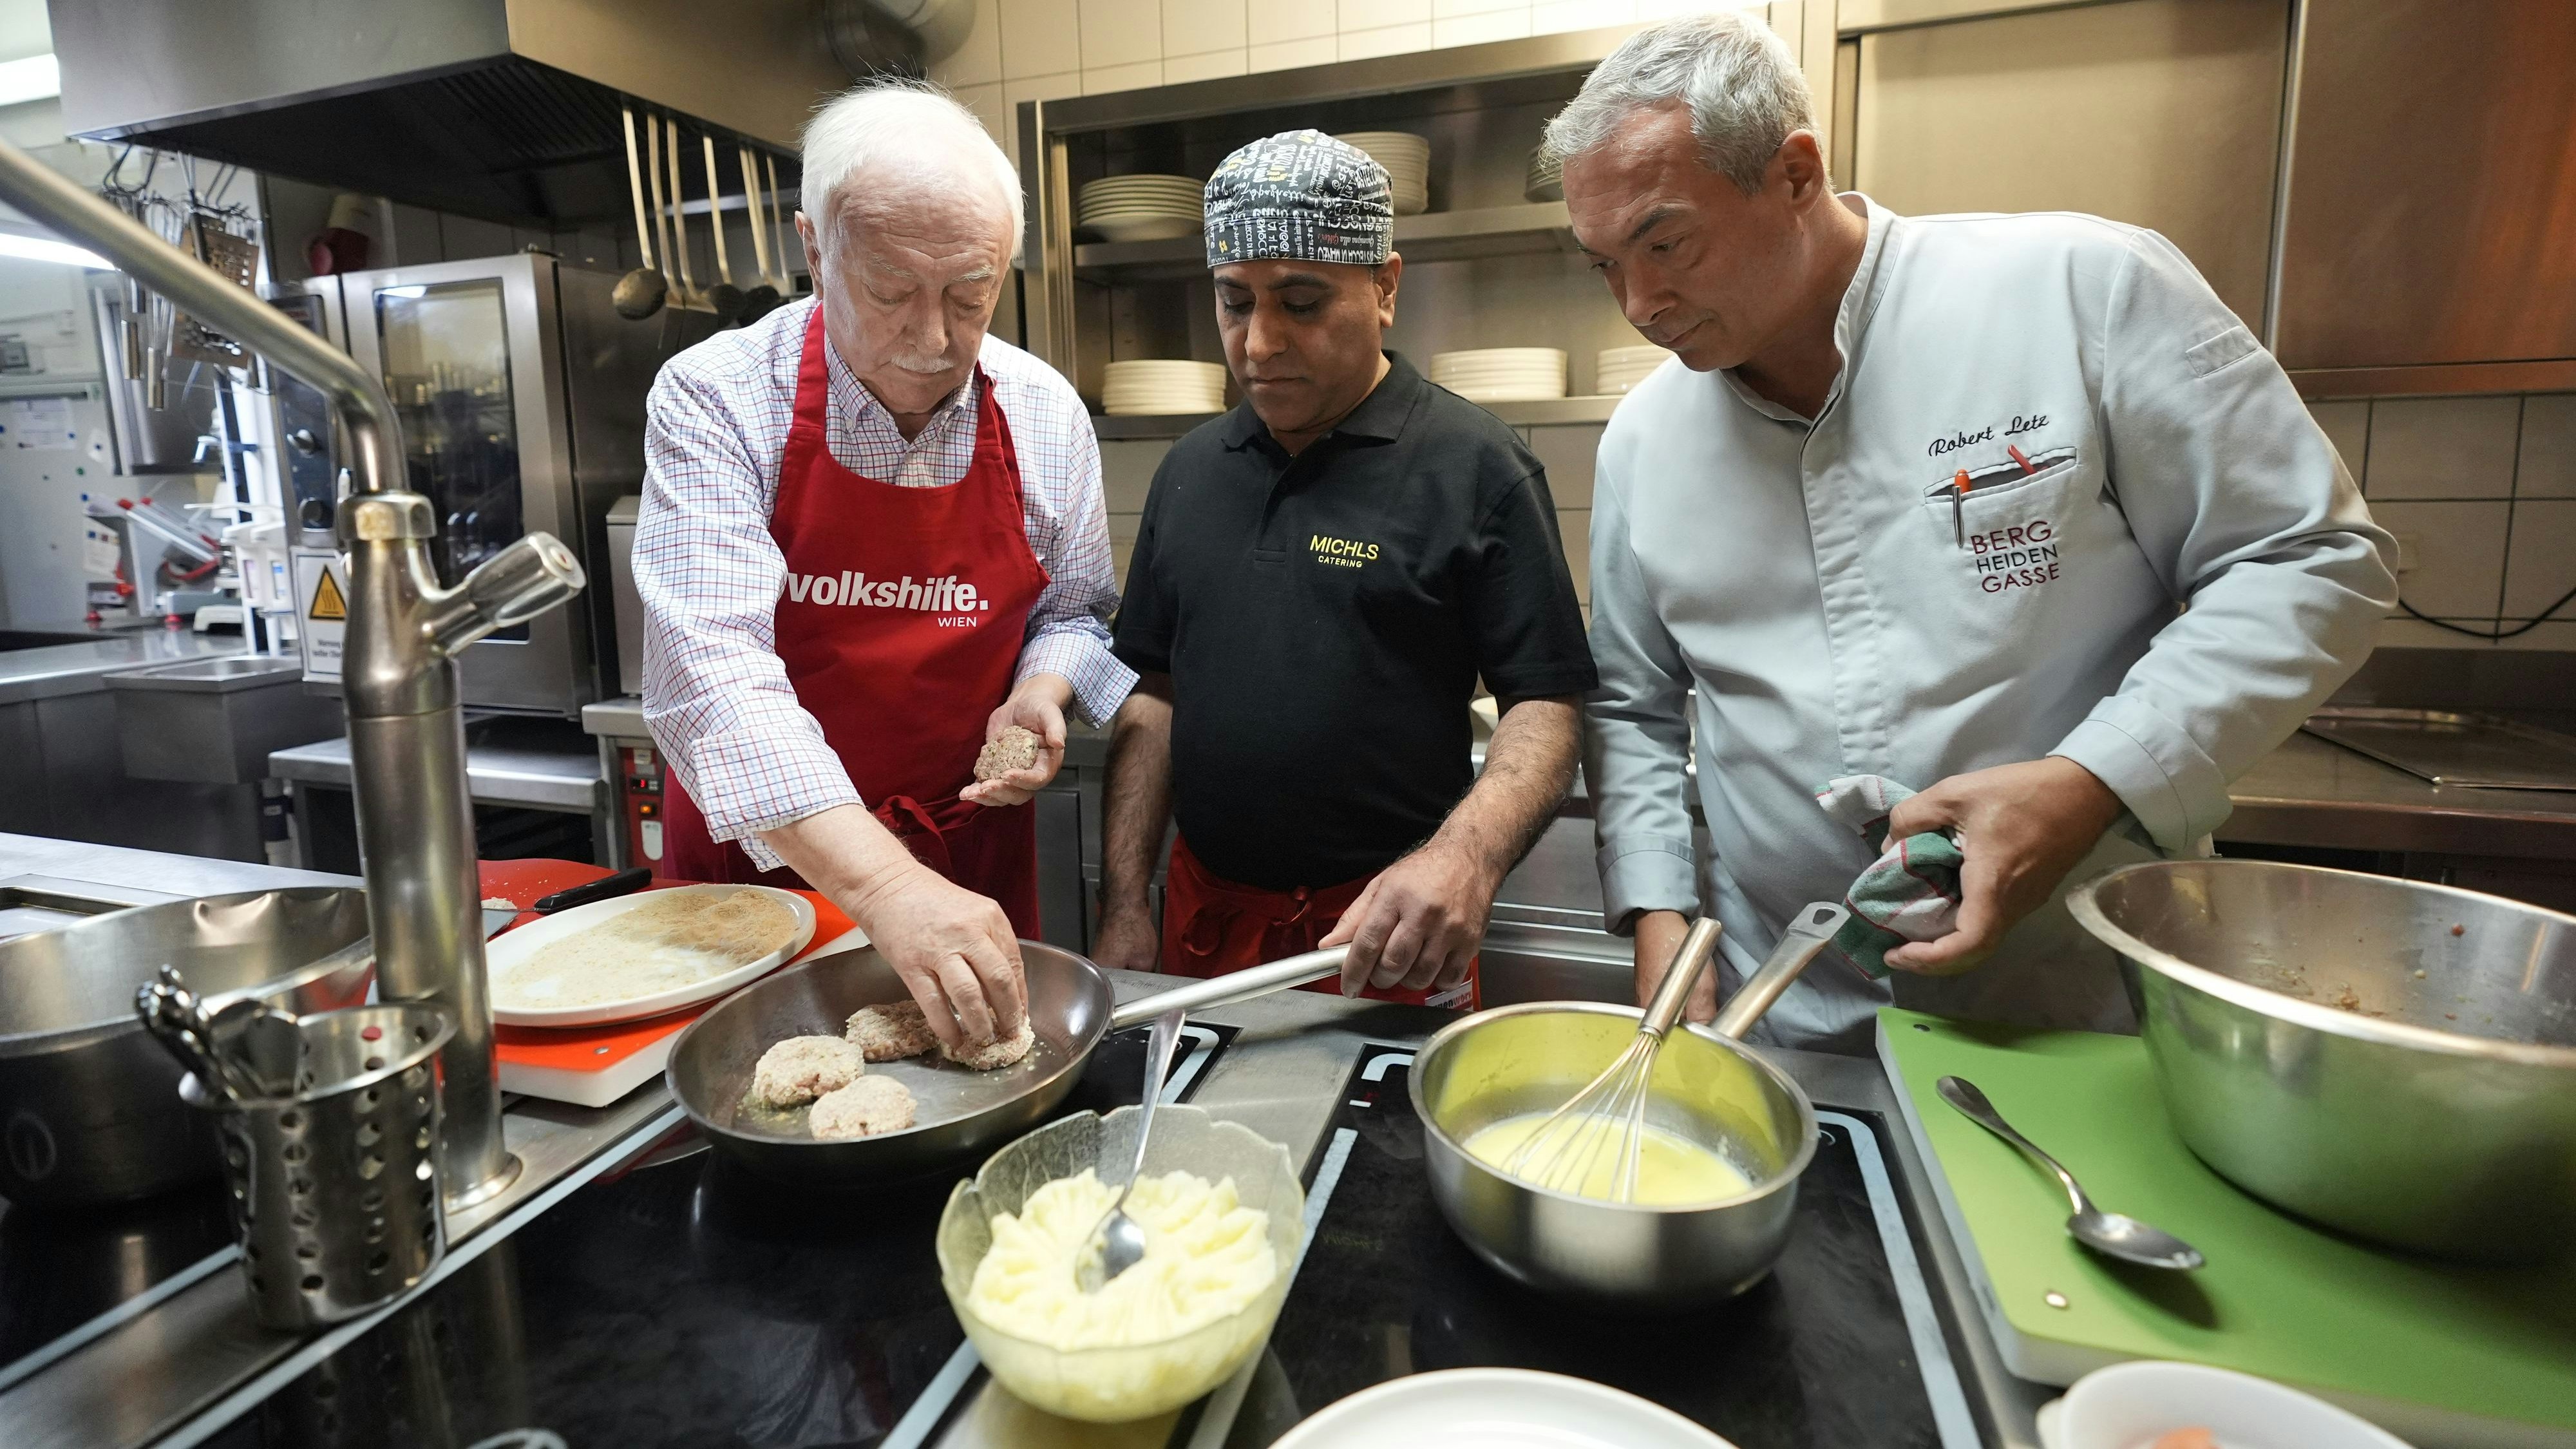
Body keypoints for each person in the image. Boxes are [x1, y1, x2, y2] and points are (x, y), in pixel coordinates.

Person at [1552, 14, 2396, 1050]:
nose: (1639, 303)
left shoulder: (2081, 292)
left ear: (1796, 174)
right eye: (1603, 265)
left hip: (2070, 1000)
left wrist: (2092, 783)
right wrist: (1656, 912)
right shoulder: (1645, 439)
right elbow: (1635, 706)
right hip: (1786, 1009)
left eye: (1665, 242)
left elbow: (2308, 559)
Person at [634, 80, 1134, 1052]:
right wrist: (885, 884)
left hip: (964, 867)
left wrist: (1042, 689)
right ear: (815, 250)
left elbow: (1076, 611)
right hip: (763, 880)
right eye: (893, 291)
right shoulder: (718, 399)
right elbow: (712, 675)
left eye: (971, 295)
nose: (935, 339)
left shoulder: (1042, 412)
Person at [1091, 131, 1597, 1005]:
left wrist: (1464, 857)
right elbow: (1155, 691)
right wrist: (1125, 895)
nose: (1260, 342)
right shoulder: (1191, 471)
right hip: (1204, 925)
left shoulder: (1475, 466)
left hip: (1392, 933)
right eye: (1235, 302)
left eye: (1301, 300)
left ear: (1387, 287)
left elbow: (1544, 704)